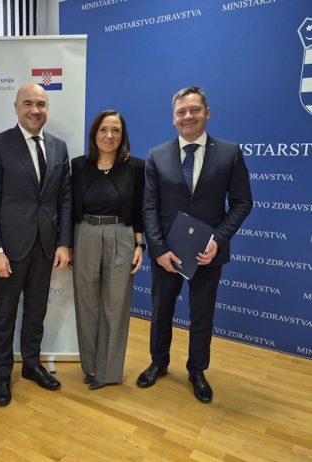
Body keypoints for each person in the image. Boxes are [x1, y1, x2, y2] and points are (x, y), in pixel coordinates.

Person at [137, 86, 252, 403]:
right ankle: (158, 363)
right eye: (181, 112)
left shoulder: (229, 153)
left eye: (194, 110)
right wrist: (158, 249)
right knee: (161, 312)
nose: (188, 116)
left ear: (207, 113)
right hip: (167, 254)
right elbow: (149, 207)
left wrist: (219, 239)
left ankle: (197, 370)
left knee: (202, 315)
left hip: (207, 254)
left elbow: (242, 202)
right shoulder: (157, 155)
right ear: (173, 118)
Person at [0, 83, 72, 406]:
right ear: (16, 107)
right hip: (9, 249)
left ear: (47, 109)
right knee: (5, 315)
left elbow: (65, 199)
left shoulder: (59, 147)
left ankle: (31, 365)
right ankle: (3, 375)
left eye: (41, 104)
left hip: (45, 247)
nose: (35, 110)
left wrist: (64, 243)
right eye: (28, 103)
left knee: (36, 312)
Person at [71, 110, 145, 390]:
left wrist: (139, 245)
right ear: (94, 134)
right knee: (87, 304)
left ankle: (108, 371)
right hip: (85, 233)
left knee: (115, 306)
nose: (109, 135)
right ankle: (90, 366)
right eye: (103, 129)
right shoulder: (79, 166)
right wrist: (67, 244)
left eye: (116, 130)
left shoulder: (136, 167)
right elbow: (69, 207)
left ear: (122, 136)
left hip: (121, 235)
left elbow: (140, 208)